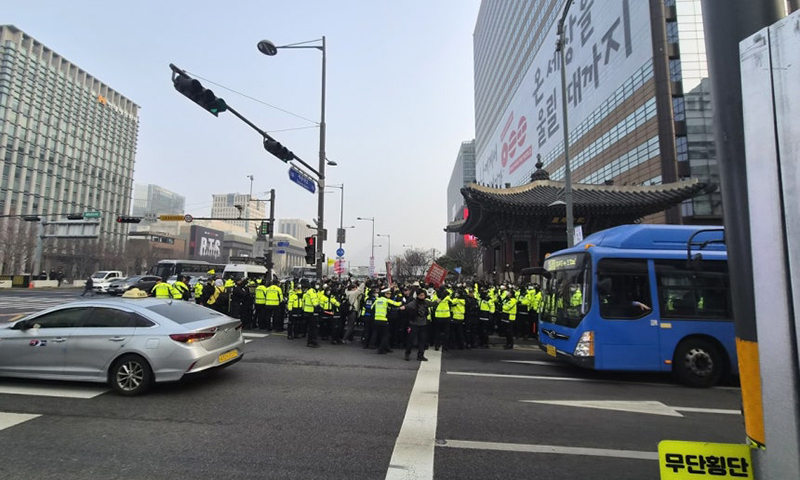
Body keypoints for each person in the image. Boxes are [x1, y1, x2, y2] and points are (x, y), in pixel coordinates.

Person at [399, 289, 430, 361]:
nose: (422, 297)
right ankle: (407, 354)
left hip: (423, 324)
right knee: (410, 340)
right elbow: (407, 306)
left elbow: (433, 304)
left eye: (423, 295)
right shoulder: (414, 303)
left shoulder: (425, 302)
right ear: (418, 295)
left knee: (422, 341)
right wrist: (403, 307)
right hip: (414, 324)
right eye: (421, 295)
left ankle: (420, 355)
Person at [371, 288, 403, 354]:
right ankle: (381, 349)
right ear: (384, 294)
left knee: (379, 334)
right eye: (388, 294)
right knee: (386, 335)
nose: (389, 295)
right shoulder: (386, 300)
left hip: (376, 319)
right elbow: (397, 304)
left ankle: (384, 347)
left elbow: (372, 308)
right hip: (384, 320)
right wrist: (402, 301)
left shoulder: (377, 300)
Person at [302, 283, 320, 348]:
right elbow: (314, 300)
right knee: (313, 328)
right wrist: (317, 307)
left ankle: (310, 341)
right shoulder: (312, 291)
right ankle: (312, 341)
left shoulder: (308, 292)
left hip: (307, 311)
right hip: (312, 312)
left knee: (310, 328)